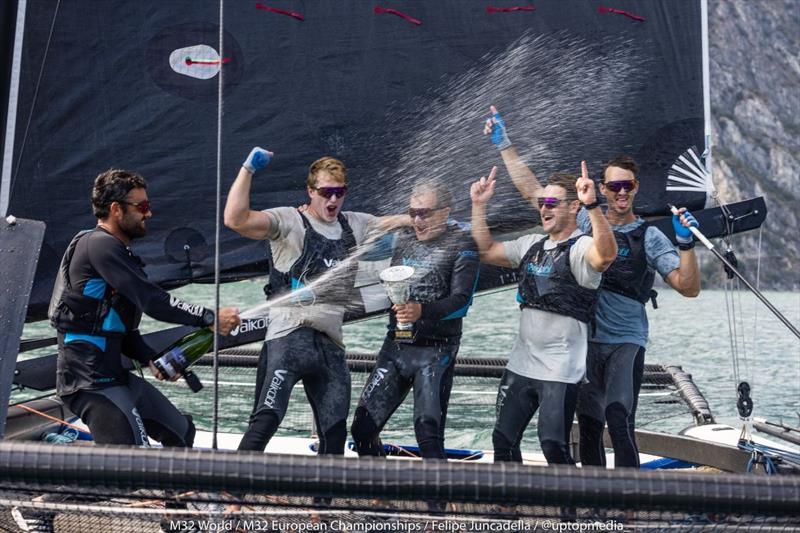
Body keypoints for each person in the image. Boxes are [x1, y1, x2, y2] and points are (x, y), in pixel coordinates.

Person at [484, 107, 701, 467]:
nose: (620, 193)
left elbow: (688, 287)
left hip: (624, 343)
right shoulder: (585, 216)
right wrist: (505, 144)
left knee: (618, 419)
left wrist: (686, 244)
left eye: (627, 186)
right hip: (586, 343)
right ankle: (593, 502)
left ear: (636, 188)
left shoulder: (649, 236)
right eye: (613, 186)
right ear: (602, 189)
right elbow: (532, 192)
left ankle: (628, 507)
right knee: (588, 425)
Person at [224, 147, 408, 457]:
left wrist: (427, 216)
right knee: (266, 421)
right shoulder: (289, 221)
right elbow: (235, 219)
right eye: (325, 192)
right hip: (288, 340)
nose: (333, 200)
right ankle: (227, 499)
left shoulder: (355, 224)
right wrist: (248, 169)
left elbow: (403, 220)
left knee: (334, 434)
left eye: (340, 192)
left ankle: (321, 506)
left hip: (330, 347)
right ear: (311, 191)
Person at [50, 169, 240, 447]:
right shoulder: (100, 245)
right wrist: (208, 317)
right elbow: (152, 300)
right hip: (89, 382)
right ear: (116, 209)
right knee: (134, 460)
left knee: (181, 433)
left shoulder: (117, 252)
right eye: (142, 207)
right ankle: (58, 491)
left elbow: (117, 327)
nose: (148, 214)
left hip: (115, 376)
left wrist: (152, 358)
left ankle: (177, 491)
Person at [470, 163, 617, 464]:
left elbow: (606, 256)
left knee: (552, 444)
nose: (544, 209)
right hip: (522, 364)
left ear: (573, 206)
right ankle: (512, 508)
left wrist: (593, 205)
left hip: (560, 369)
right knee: (503, 440)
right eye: (541, 203)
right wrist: (478, 206)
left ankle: (569, 511)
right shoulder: (530, 245)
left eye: (552, 203)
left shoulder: (581, 247)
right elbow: (486, 250)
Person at [350, 179, 480, 461]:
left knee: (428, 434)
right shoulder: (403, 237)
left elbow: (462, 302)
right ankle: (378, 494)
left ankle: (438, 505)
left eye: (425, 213)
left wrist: (422, 311)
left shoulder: (463, 244)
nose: (418, 220)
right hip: (396, 346)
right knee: (362, 429)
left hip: (436, 351)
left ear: (445, 212)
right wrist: (405, 218)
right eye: (413, 213)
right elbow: (365, 232)